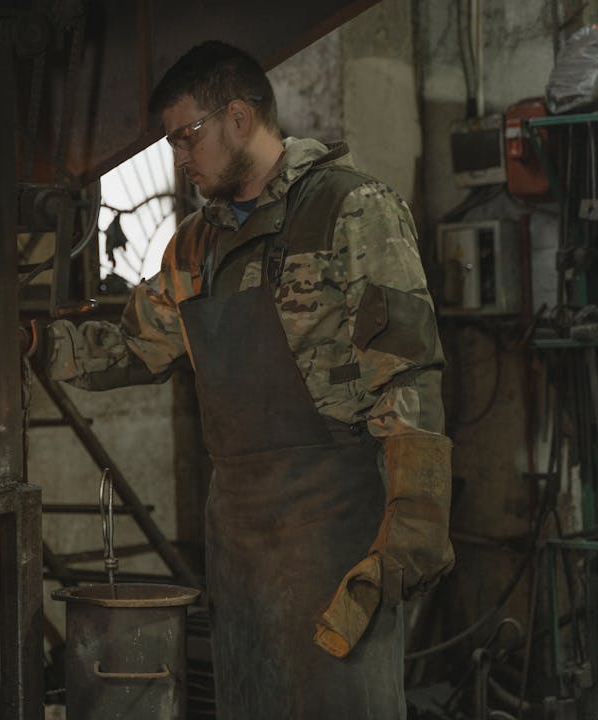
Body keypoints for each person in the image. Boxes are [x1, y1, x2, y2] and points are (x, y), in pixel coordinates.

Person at [34, 42, 454, 718]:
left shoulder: (350, 209)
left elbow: (407, 370)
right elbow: (134, 347)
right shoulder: (196, 247)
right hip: (238, 534)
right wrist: (32, 345)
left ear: (238, 116)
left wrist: (414, 525)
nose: (179, 157)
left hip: (335, 529)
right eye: (171, 142)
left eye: (186, 136)